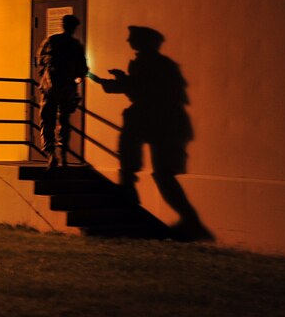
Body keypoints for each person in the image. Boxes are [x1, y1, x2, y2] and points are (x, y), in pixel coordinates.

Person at [90, 26, 210, 240]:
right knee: (160, 172)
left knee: (156, 168)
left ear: (144, 42)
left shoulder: (149, 63)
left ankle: (130, 187)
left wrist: (119, 82)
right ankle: (188, 220)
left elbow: (144, 90)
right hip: (165, 121)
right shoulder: (157, 64)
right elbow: (142, 88)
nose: (128, 40)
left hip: (159, 120)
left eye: (132, 38)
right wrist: (121, 81)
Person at [35, 14, 88, 169]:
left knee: (49, 120)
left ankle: (52, 154)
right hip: (63, 88)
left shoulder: (52, 41)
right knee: (62, 121)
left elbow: (40, 60)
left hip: (52, 88)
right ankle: (60, 154)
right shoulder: (74, 45)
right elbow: (82, 68)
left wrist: (44, 77)